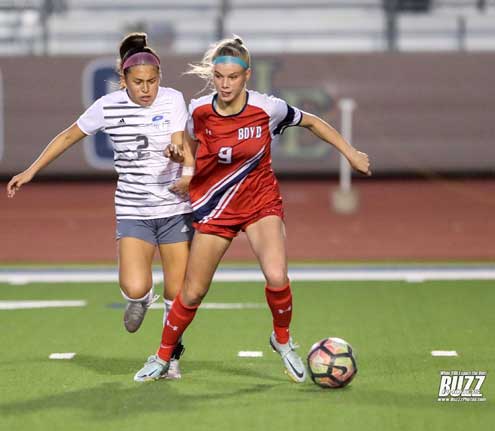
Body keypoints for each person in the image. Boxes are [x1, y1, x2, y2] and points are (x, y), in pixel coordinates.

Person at [133, 36, 371, 383]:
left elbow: (313, 122)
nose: (225, 84)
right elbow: (185, 144)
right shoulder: (198, 110)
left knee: (277, 276)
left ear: (247, 76)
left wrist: (350, 153)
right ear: (212, 76)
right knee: (193, 291)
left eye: (232, 77)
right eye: (219, 76)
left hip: (260, 203)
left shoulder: (267, 108)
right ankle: (163, 356)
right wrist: (180, 160)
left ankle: (283, 339)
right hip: (215, 206)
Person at [6, 33, 194, 379]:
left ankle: (171, 359)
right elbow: (67, 136)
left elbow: (181, 144)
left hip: (173, 208)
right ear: (123, 80)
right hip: (133, 210)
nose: (146, 89)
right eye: (138, 82)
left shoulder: (173, 100)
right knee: (135, 287)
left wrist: (180, 158)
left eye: (152, 81)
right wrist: (32, 170)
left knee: (178, 292)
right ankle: (140, 299)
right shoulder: (106, 107)